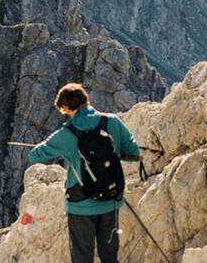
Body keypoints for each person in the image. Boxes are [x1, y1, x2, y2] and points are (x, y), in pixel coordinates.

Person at [27, 82, 142, 263]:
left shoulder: (66, 133)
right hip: (111, 199)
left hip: (80, 204)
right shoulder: (112, 121)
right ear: (86, 101)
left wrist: (59, 147)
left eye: (63, 110)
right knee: (110, 256)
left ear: (66, 108)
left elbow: (35, 155)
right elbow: (134, 153)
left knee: (82, 256)